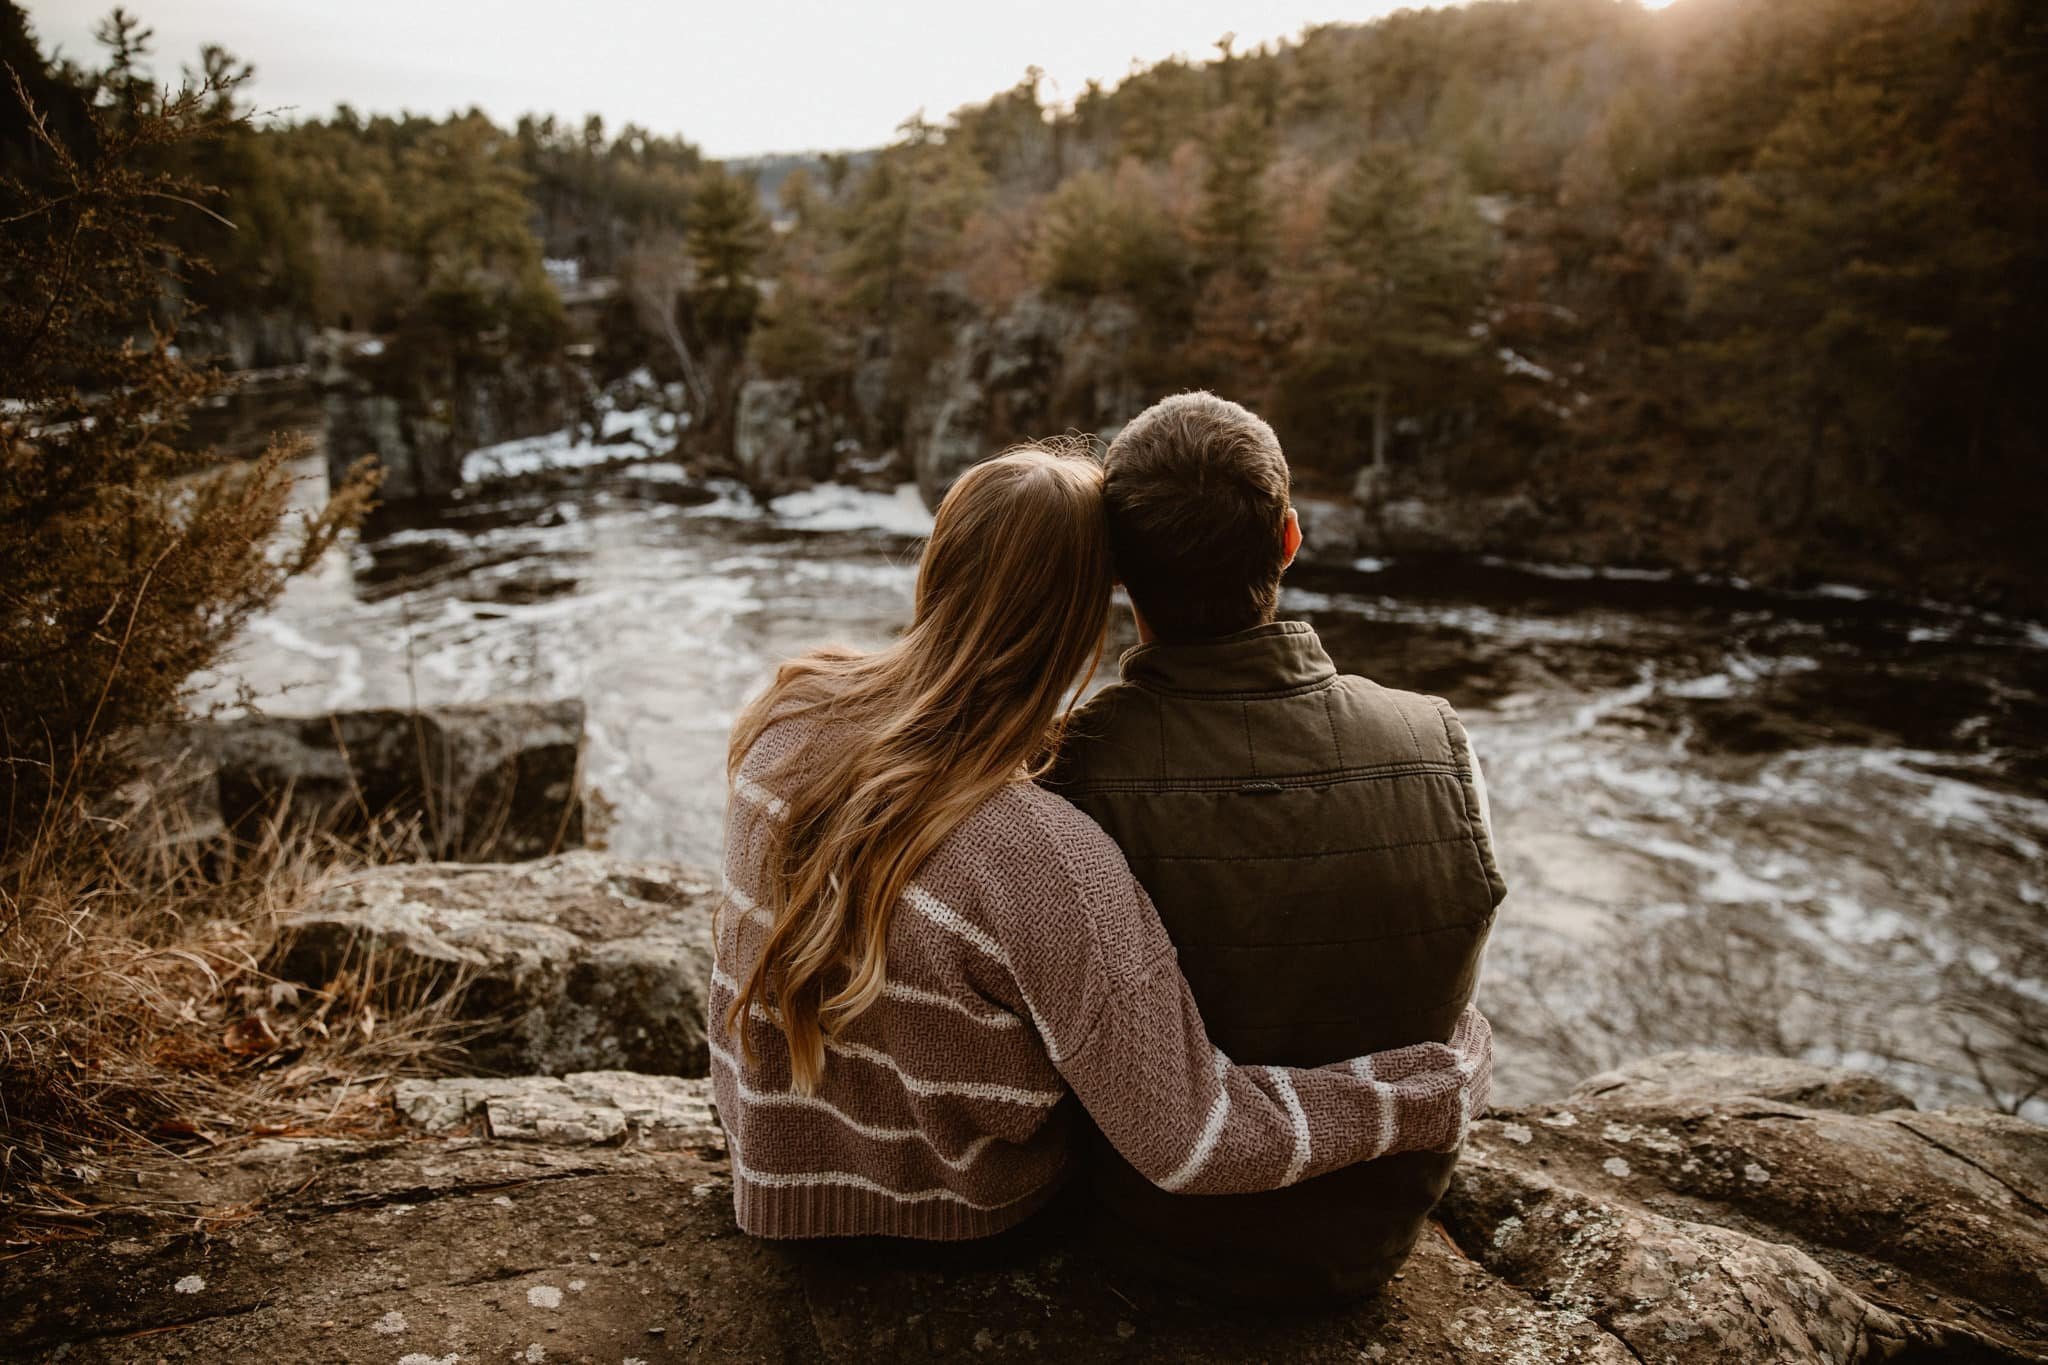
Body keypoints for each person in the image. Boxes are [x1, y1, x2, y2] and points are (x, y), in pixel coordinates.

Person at [710, 441, 1493, 1242]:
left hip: (772, 1190)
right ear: (1098, 600)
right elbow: (1191, 1139)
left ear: (937, 558)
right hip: (953, 1223)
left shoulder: (787, 711)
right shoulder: (1046, 854)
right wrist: (1430, 1089)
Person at [1046, 393, 1507, 1300]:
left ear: (1119, 572)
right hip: (1367, 1249)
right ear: (1290, 538)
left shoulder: (1067, 771)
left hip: (1140, 1240)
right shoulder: (1441, 740)